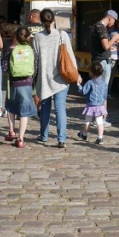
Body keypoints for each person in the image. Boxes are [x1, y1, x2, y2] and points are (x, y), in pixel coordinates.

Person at [32, 8, 78, 148]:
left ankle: (44, 135)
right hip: (61, 78)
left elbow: (35, 61)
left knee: (45, 108)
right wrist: (76, 73)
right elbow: (70, 55)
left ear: (41, 20)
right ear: (53, 20)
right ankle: (61, 139)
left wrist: (33, 77)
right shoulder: (62, 34)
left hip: (44, 79)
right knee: (60, 108)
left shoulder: (37, 37)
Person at [5, 26, 36, 148]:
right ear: (28, 37)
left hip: (13, 83)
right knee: (24, 111)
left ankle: (11, 131)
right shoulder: (32, 50)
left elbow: (5, 67)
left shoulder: (12, 49)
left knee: (10, 106)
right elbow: (36, 67)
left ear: (16, 37)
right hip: (27, 83)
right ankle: (21, 138)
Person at [90, 9, 119, 103]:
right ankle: (101, 114)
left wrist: (113, 41)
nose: (114, 23)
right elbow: (106, 46)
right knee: (102, 90)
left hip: (99, 60)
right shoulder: (101, 27)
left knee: (101, 89)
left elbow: (104, 44)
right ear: (110, 18)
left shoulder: (97, 26)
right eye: (114, 21)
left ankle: (102, 114)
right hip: (102, 61)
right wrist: (114, 38)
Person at [78, 62, 109, 144]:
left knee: (87, 121)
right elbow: (105, 97)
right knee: (100, 122)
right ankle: (100, 138)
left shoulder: (90, 82)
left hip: (91, 105)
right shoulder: (104, 83)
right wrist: (105, 108)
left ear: (91, 72)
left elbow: (84, 91)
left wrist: (78, 85)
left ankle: (84, 134)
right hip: (100, 105)